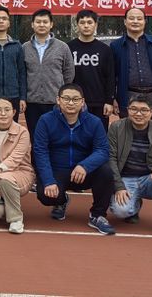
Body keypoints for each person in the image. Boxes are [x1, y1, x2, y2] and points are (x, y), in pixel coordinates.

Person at [33, 84, 116, 235]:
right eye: (66, 98)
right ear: (58, 100)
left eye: (75, 99)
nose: (71, 103)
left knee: (106, 171)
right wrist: (49, 180)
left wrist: (85, 165)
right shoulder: (45, 120)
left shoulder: (94, 122)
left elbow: (103, 150)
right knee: (46, 196)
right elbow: (40, 151)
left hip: (84, 171)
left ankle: (97, 215)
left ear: (82, 102)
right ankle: (61, 201)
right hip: (58, 170)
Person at [108, 95, 152, 239]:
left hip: (150, 178)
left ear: (151, 112)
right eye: (134, 109)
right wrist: (119, 186)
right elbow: (111, 158)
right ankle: (134, 206)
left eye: (144, 110)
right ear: (128, 110)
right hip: (126, 178)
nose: (138, 114)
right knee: (121, 211)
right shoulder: (116, 127)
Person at [109, 7, 152, 125]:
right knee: (128, 133)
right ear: (125, 21)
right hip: (128, 97)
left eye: (139, 18)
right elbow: (111, 75)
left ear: (145, 21)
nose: (135, 21)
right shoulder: (116, 46)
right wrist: (113, 98)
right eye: (131, 18)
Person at [0, 97, 35, 234]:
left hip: (21, 173)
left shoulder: (22, 132)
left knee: (5, 180)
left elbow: (15, 159)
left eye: (7, 110)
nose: (3, 113)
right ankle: (6, 198)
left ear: (14, 112)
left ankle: (16, 219)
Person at [22, 8, 74, 136]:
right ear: (32, 24)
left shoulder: (62, 47)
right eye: (38, 22)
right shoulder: (24, 48)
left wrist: (61, 93)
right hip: (32, 102)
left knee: (56, 137)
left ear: (51, 24)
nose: (41, 25)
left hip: (55, 102)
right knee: (35, 137)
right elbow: (22, 74)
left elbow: (69, 72)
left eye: (45, 22)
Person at [67, 9, 115, 130]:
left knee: (98, 135)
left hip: (99, 103)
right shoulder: (68, 47)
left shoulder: (105, 49)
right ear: (77, 25)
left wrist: (109, 101)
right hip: (74, 102)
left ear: (95, 25)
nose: (86, 26)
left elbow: (110, 77)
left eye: (89, 22)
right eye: (82, 22)